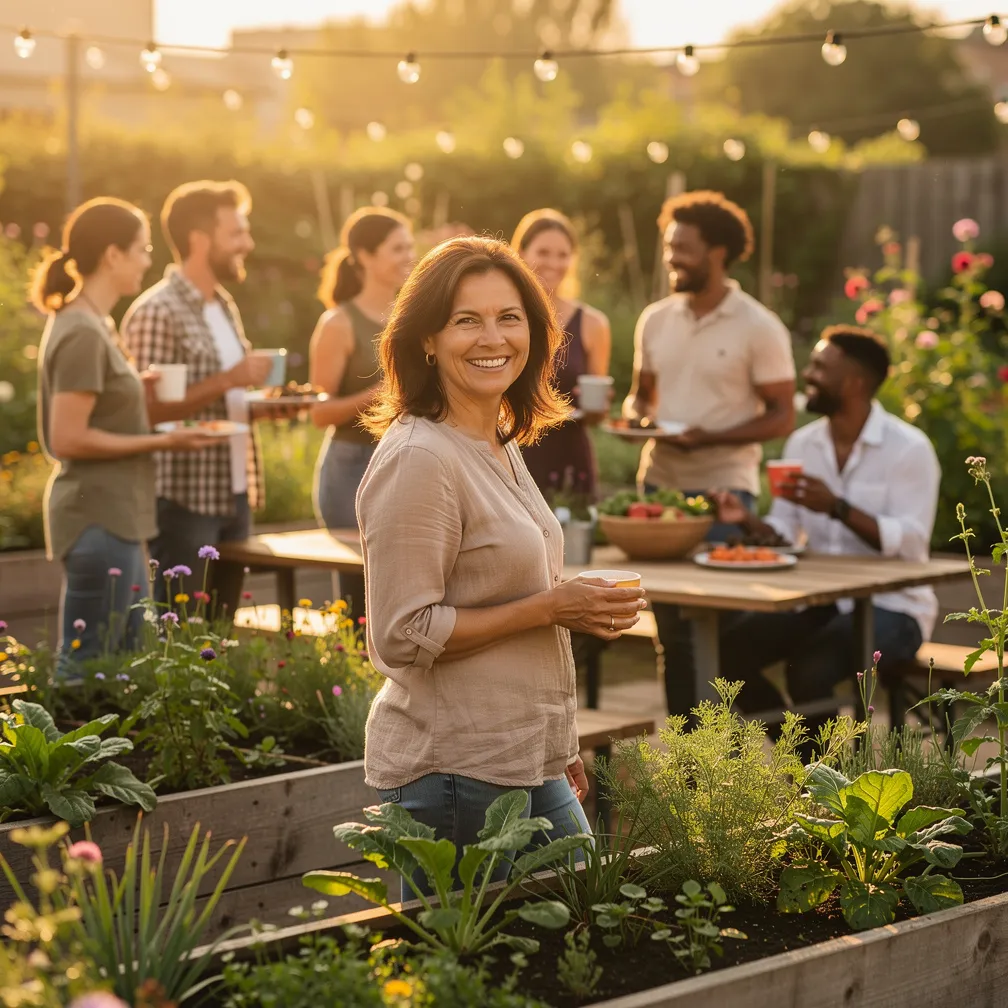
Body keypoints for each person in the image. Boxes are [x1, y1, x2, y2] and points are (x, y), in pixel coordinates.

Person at [356, 236, 647, 896]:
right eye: (467, 320)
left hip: (521, 760)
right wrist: (552, 606)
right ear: (427, 338)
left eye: (508, 317)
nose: (493, 338)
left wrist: (556, 748)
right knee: (464, 978)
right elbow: (401, 636)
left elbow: (505, 591)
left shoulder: (495, 440)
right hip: (455, 771)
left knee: (573, 941)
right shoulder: (420, 458)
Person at [713, 325, 940, 727]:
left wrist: (836, 507)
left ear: (854, 383)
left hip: (896, 608)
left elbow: (911, 542)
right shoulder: (804, 444)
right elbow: (784, 532)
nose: (808, 374)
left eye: (820, 367)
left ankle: (828, 784)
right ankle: (803, 759)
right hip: (823, 601)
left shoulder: (909, 448)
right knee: (729, 650)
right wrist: (746, 519)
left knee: (809, 670)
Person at [624, 190, 796, 717]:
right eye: (670, 246)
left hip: (724, 491)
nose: (673, 257)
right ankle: (689, 764)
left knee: (717, 634)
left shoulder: (758, 326)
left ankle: (789, 751)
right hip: (660, 487)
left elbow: (781, 416)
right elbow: (639, 397)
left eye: (685, 248)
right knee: (672, 630)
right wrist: (636, 422)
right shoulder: (655, 319)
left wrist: (708, 437)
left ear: (719, 252)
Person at [32, 198, 212, 667]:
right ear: (112, 255)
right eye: (142, 248)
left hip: (117, 517)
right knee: (86, 669)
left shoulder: (97, 322)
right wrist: (166, 440)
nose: (148, 259)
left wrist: (136, 387)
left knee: (123, 665)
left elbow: (100, 413)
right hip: (98, 517)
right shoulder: (83, 332)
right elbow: (68, 438)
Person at [122, 180, 274, 620]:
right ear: (198, 239)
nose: (248, 243)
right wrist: (229, 378)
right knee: (179, 632)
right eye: (236, 234)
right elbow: (147, 410)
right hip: (184, 498)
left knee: (221, 632)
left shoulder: (223, 305)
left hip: (234, 491)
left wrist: (268, 404)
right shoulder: (157, 311)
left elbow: (230, 395)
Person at [310, 207, 415, 614]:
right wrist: (379, 393)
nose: (408, 256)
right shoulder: (338, 323)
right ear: (365, 256)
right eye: (397, 248)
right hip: (351, 469)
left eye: (410, 246)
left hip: (408, 461)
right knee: (359, 600)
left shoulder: (413, 319)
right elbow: (320, 414)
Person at [511, 209, 612, 496]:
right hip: (511, 454)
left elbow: (596, 412)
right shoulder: (504, 317)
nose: (553, 263)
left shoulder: (593, 324)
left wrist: (597, 407)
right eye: (543, 252)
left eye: (563, 255)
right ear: (520, 252)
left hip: (569, 459)